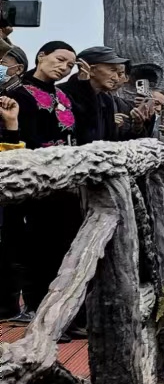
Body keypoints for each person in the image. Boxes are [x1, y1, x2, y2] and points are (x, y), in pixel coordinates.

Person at [11, 41, 82, 320]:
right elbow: (24, 137)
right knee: (36, 246)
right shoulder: (18, 92)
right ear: (41, 56)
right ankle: (35, 307)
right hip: (32, 179)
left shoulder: (64, 96)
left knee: (61, 245)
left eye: (69, 65)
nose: (63, 67)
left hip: (64, 181)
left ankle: (58, 313)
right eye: (60, 59)